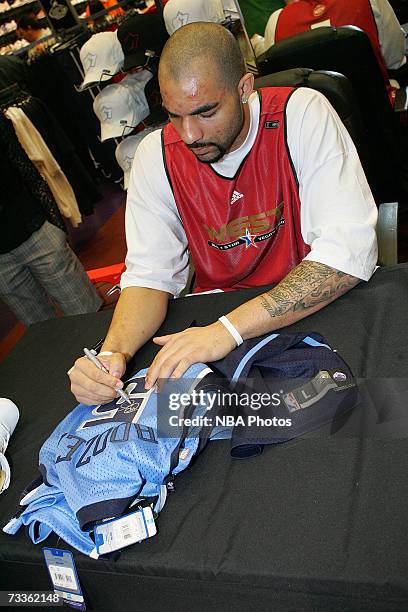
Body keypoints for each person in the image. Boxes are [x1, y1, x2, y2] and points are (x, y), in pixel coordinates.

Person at [69, 22, 377, 406]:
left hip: (313, 309)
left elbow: (346, 255)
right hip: (216, 322)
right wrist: (112, 355)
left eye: (205, 112)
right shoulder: (155, 155)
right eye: (174, 115)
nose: (190, 134)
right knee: (185, 438)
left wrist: (226, 331)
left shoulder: (301, 114)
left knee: (350, 420)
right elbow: (151, 274)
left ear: (244, 89)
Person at [251, 0, 407, 77]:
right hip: (379, 118)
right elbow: (395, 60)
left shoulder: (276, 21)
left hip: (313, 130)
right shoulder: (368, 1)